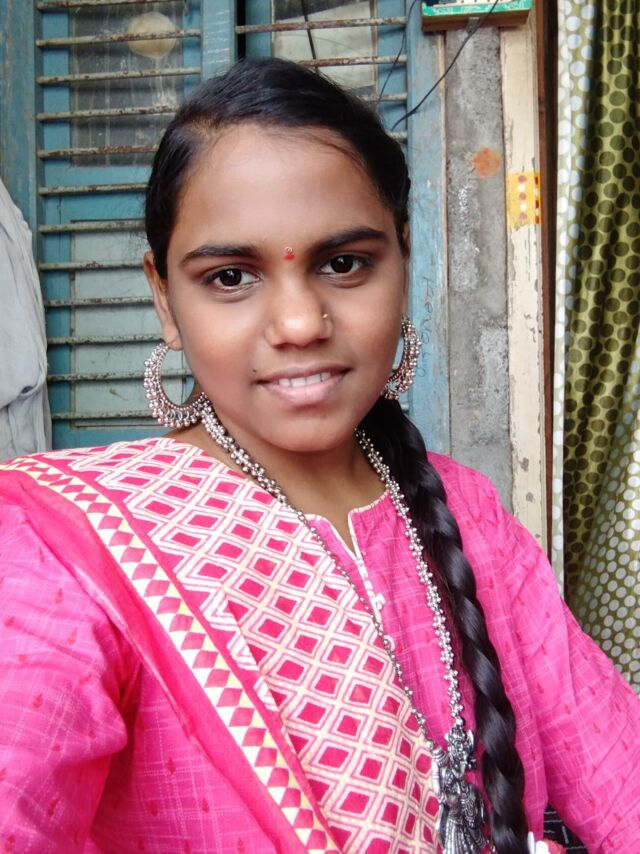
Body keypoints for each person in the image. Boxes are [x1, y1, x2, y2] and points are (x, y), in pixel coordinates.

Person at [0, 57, 638, 854]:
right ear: (164, 297)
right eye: (231, 277)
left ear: (404, 259)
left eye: (344, 264)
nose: (300, 323)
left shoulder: (470, 515)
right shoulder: (64, 550)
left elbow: (620, 775)